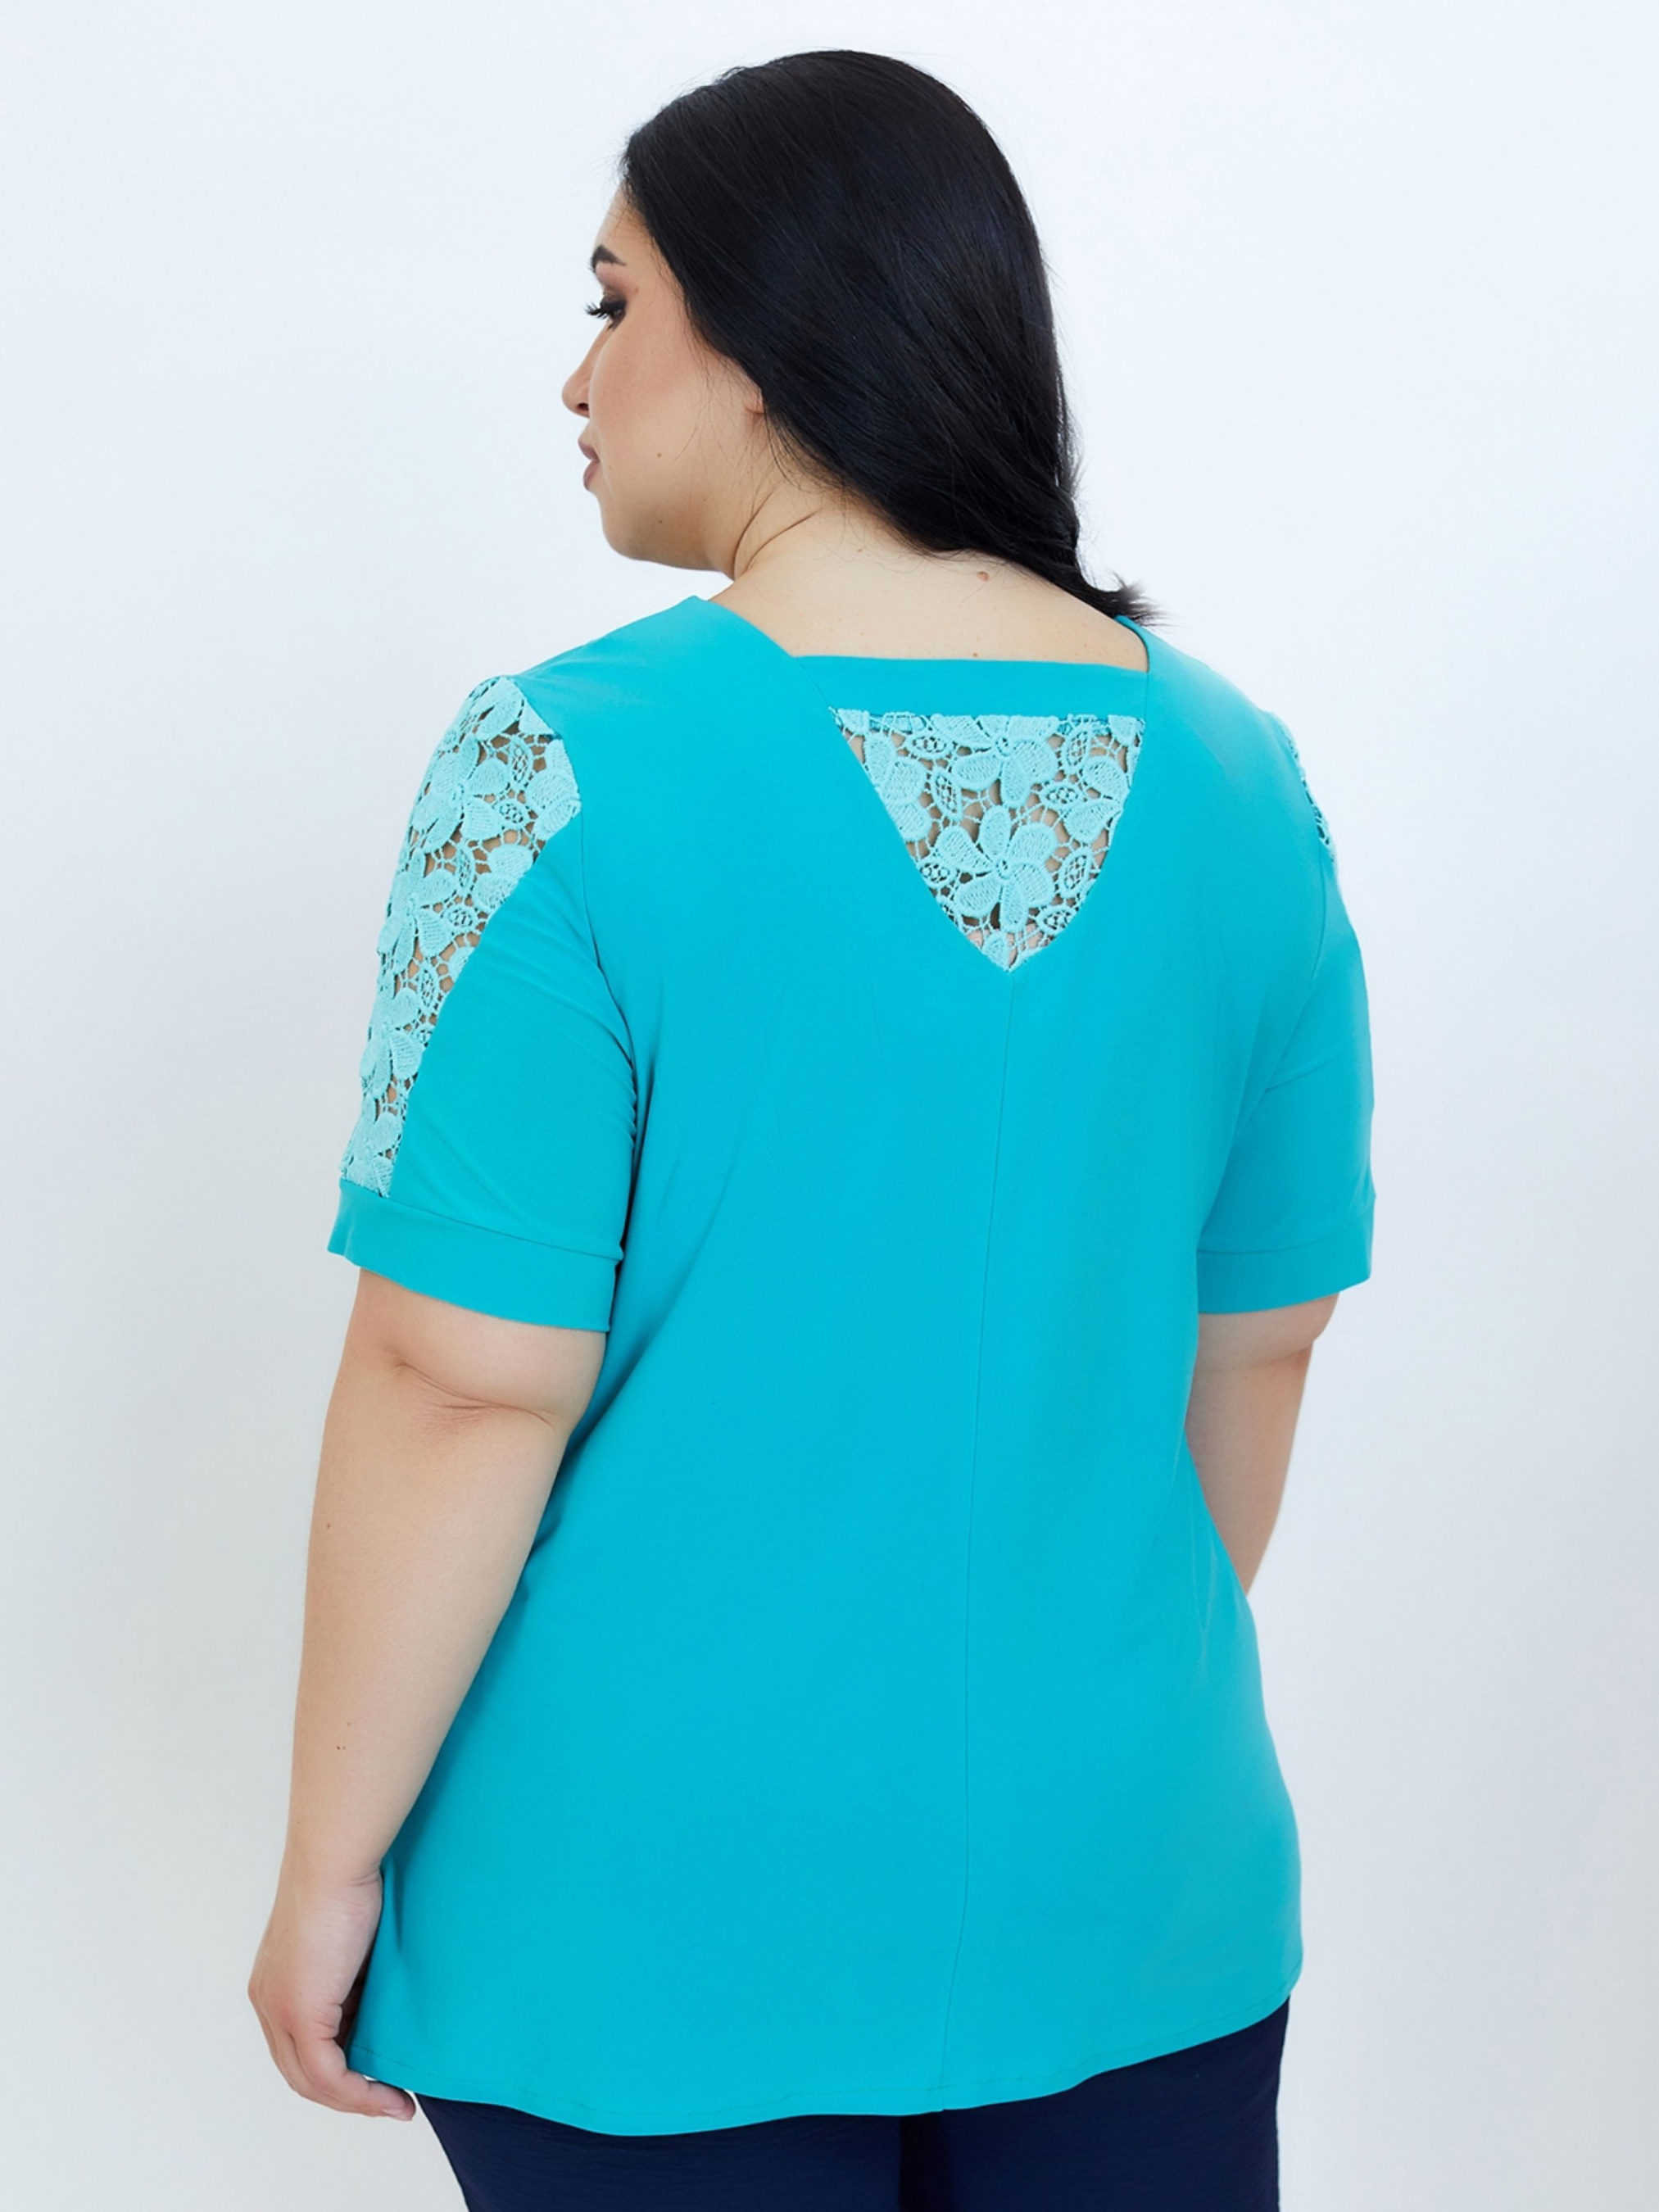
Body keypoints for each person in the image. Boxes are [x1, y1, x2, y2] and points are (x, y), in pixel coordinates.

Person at [248, 48, 1374, 2212]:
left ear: (765, 334)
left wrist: (328, 1863)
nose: (577, 377)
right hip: (1133, 1886)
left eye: (614, 303)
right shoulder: (1248, 781)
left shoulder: (551, 770)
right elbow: (1262, 1338)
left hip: (642, 1926)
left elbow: (456, 1378)